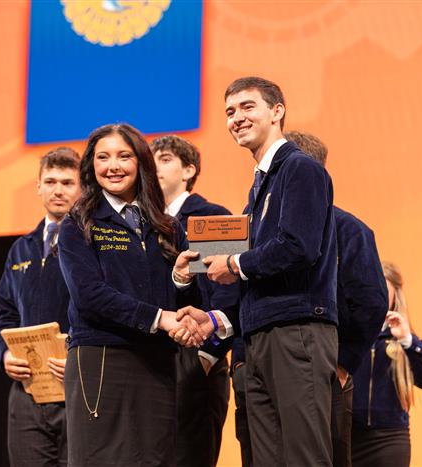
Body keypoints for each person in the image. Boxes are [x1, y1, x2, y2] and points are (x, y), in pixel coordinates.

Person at [57, 123, 222, 466]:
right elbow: (89, 295)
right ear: (91, 165)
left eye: (124, 156)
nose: (113, 166)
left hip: (158, 362)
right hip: (101, 359)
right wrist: (159, 318)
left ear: (141, 162)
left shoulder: (168, 226)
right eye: (103, 157)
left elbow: (187, 306)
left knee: (154, 459)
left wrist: (180, 281)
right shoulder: (78, 223)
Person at [203, 76, 339, 466]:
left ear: (277, 111)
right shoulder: (261, 184)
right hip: (260, 335)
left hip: (296, 331)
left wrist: (234, 263)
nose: (237, 118)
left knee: (303, 456)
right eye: (230, 111)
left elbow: (298, 246)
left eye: (248, 107)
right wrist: (213, 317)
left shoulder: (299, 168)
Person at [284, 130, 388, 467]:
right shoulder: (259, 222)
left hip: (326, 373)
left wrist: (342, 362)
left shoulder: (349, 229)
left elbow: (371, 303)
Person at [152, 135, 238, 467]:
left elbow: (228, 294)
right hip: (150, 360)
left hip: (195, 359)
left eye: (165, 159)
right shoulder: (139, 223)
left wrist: (207, 354)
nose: (154, 167)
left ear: (189, 170)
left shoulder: (212, 217)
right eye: (150, 161)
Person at [0, 147, 82, 466]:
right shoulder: (21, 248)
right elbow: (6, 311)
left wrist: (79, 356)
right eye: (50, 182)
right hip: (28, 390)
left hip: (77, 386)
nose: (58, 190)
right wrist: (5, 355)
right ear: (38, 186)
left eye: (67, 183)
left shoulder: (92, 242)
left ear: (83, 188)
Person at [351, 261, 422, 467]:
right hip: (349, 438)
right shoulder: (350, 334)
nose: (376, 295)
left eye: (383, 289)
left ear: (395, 294)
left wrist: (407, 340)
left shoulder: (403, 339)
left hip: (389, 440)